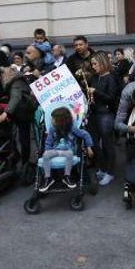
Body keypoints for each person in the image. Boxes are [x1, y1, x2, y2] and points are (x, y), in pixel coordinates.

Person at [84, 52, 119, 186]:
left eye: (95, 64)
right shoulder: (95, 77)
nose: (93, 67)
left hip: (106, 114)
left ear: (103, 63)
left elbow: (111, 97)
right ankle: (103, 168)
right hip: (94, 113)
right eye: (92, 64)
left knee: (107, 143)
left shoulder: (110, 77)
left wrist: (95, 92)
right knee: (94, 143)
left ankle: (110, 172)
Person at [40, 107, 93, 191]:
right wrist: (47, 150)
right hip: (56, 150)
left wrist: (89, 146)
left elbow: (85, 134)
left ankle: (67, 176)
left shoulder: (71, 128)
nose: (52, 121)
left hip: (68, 151)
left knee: (70, 154)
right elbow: (48, 142)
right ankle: (48, 177)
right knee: (46, 155)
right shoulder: (52, 129)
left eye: (53, 119)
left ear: (60, 120)